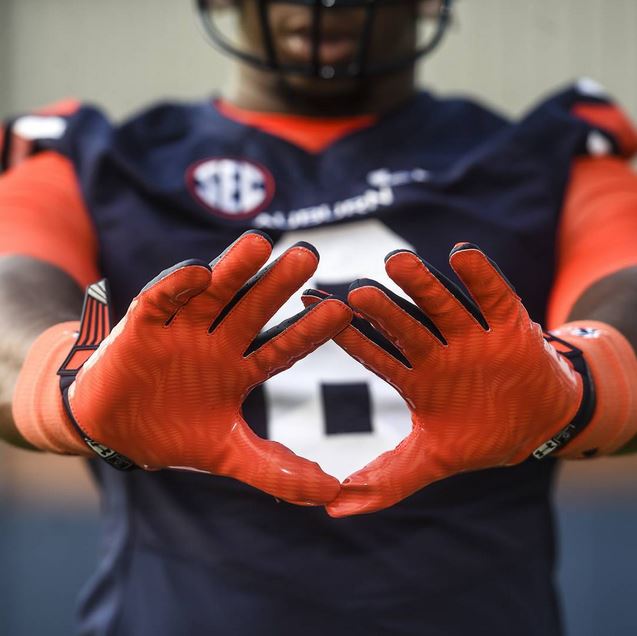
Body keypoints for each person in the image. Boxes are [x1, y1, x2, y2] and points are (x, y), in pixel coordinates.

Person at [1, 1, 636, 634]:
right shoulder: (99, 163)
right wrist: (69, 383)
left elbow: (625, 286)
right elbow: (11, 292)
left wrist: (579, 385)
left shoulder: (542, 158)